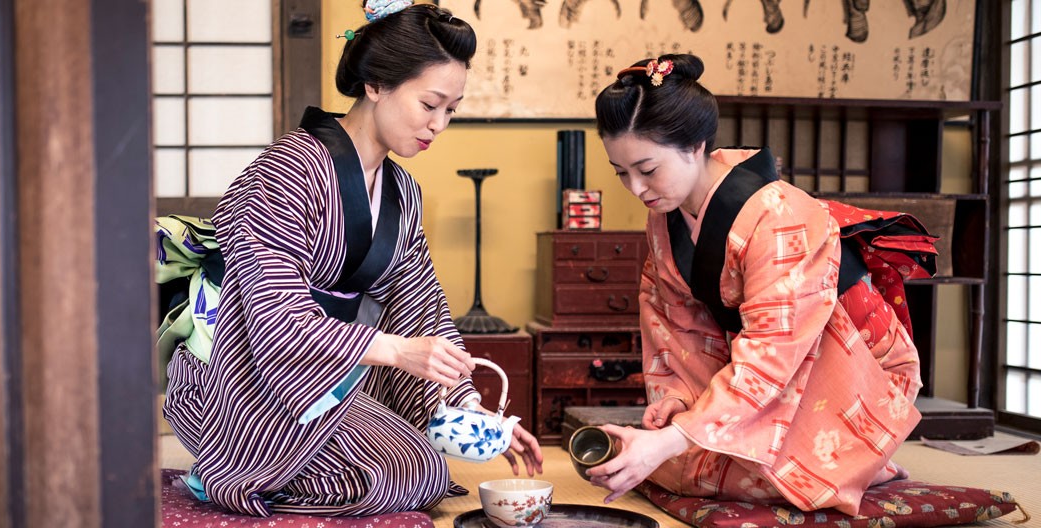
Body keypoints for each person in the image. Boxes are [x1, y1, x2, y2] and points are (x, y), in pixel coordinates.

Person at [161, 0, 544, 518]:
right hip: (246, 374)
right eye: (429, 104)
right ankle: (225, 469)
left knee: (426, 469)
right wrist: (399, 352)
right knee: (406, 474)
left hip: (330, 376)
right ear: (377, 84)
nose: (439, 124)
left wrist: (472, 408)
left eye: (451, 110)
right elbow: (272, 314)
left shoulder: (402, 191)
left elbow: (421, 306)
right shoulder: (286, 170)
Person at [584, 54, 938, 515]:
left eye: (647, 169)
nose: (636, 189)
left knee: (711, 469)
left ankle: (860, 457)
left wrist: (674, 440)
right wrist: (677, 403)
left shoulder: (779, 216)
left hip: (844, 359)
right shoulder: (664, 219)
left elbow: (775, 347)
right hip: (771, 365)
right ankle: (835, 460)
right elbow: (673, 323)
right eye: (622, 173)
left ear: (695, 145)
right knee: (679, 462)